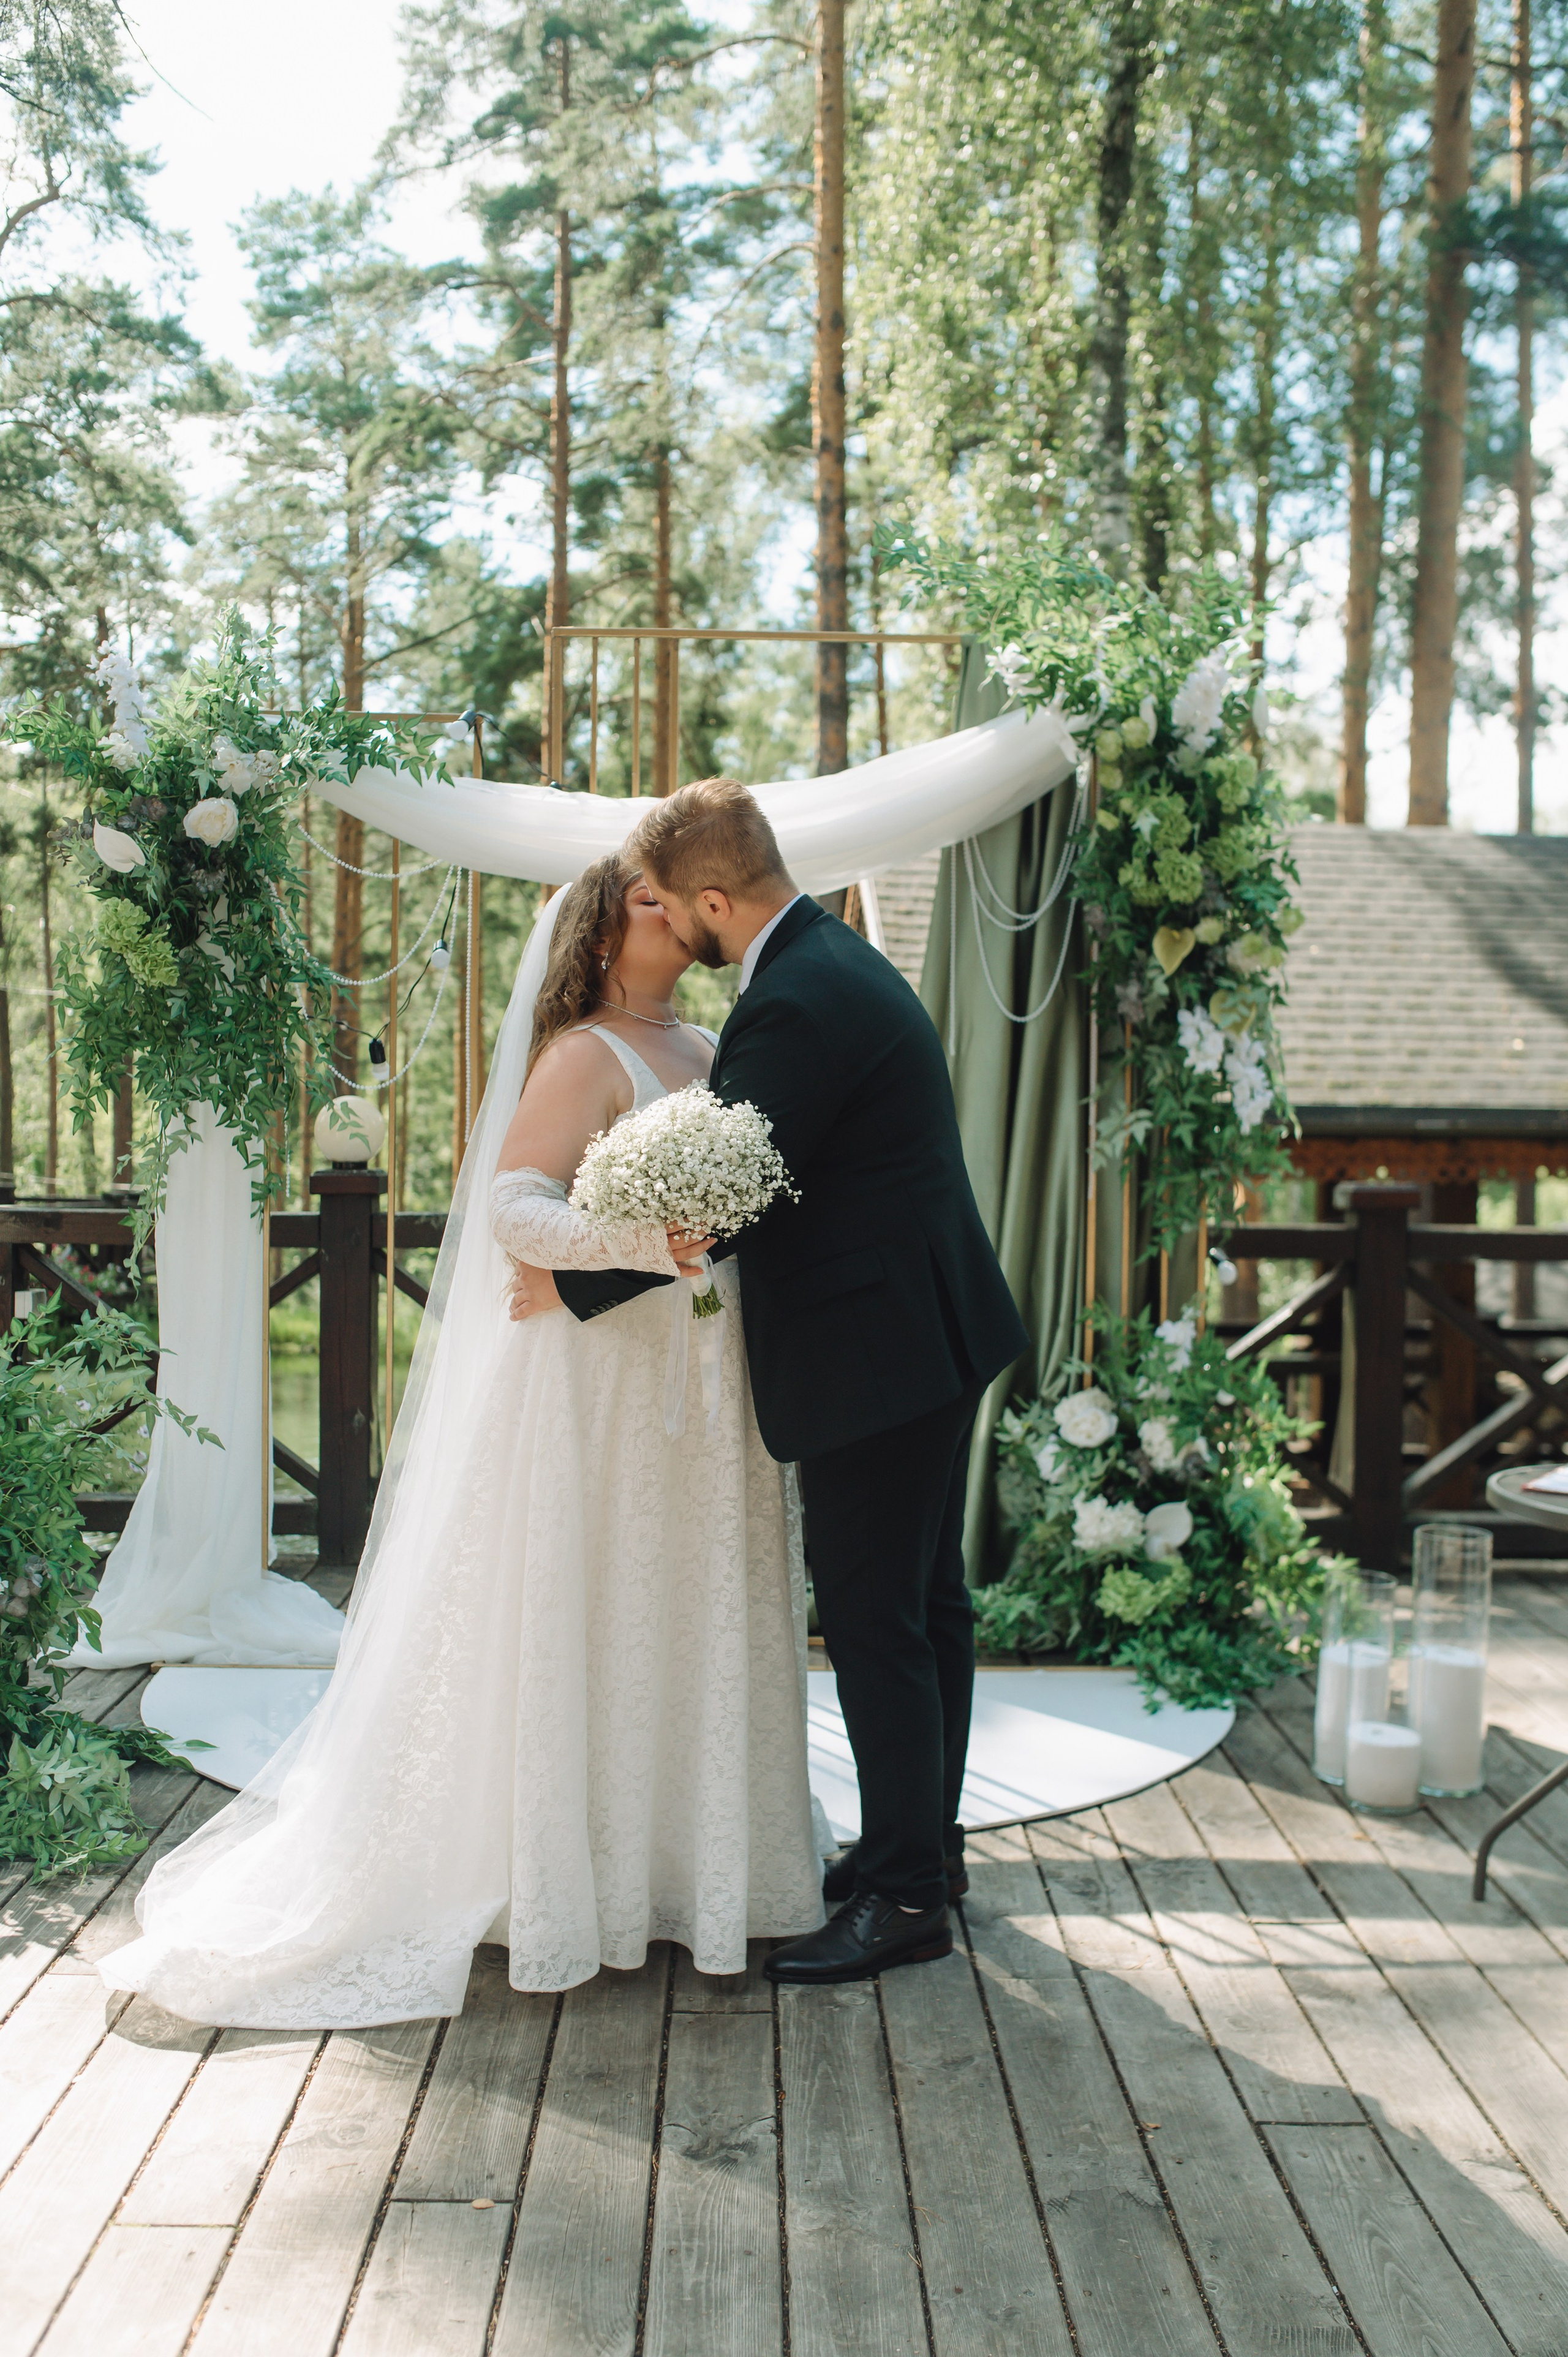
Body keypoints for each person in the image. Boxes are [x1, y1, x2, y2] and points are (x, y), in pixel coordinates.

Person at [98, 856, 824, 2026]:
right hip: (605, 1386)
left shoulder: (704, 1044)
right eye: (649, 901)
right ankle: (570, 1878)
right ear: (597, 937)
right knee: (600, 1605)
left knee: (682, 1608)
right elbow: (511, 1209)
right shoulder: (584, 1052)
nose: (679, 911)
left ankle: (687, 1869)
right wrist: (652, 1238)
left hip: (697, 1378)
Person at [516, 779, 1028, 1985]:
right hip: (923, 1333)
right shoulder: (825, 960)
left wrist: (573, 1278)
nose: (668, 928)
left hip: (879, 1353)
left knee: (874, 1617)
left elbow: (730, 1192)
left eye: (673, 907)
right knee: (924, 1603)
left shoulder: (791, 1002)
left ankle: (904, 1893)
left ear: (708, 899)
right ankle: (923, 1851)